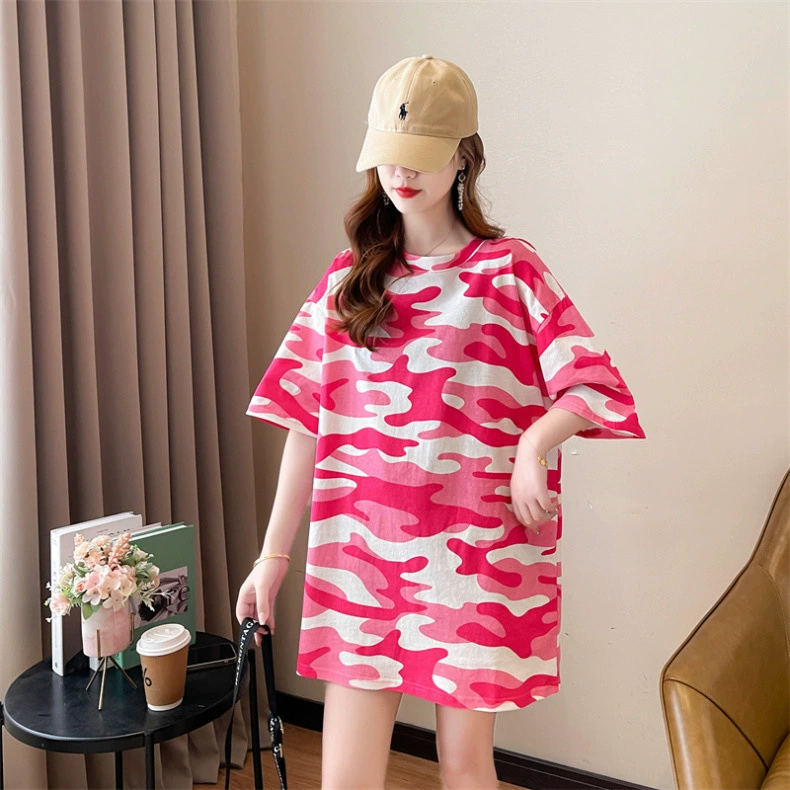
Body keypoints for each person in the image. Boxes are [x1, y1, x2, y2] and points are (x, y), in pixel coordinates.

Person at [236, 55, 646, 790]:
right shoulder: (347, 279)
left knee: (463, 766)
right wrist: (273, 555)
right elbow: (307, 419)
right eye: (389, 154)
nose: (402, 173)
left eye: (423, 154)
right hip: (360, 556)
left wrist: (534, 443)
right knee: (345, 778)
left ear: (463, 156)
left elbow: (590, 382)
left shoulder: (510, 271)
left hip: (471, 553)